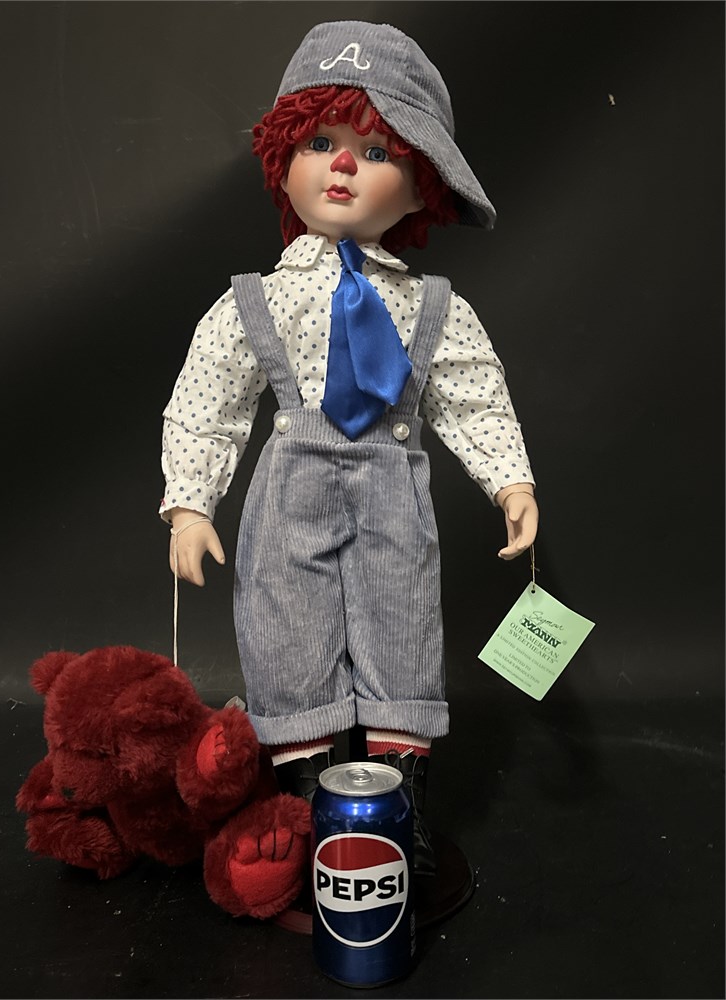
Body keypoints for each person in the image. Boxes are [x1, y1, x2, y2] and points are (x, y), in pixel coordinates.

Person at [159, 20, 538, 875]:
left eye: (375, 152)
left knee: (403, 633)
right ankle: (303, 816)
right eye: (319, 143)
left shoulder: (434, 308)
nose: (341, 166)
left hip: (393, 496)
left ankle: (401, 815)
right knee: (287, 637)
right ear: (282, 159)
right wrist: (190, 504)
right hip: (289, 497)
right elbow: (208, 401)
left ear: (421, 188)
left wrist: (510, 482)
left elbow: (473, 395)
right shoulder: (255, 301)